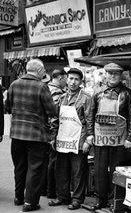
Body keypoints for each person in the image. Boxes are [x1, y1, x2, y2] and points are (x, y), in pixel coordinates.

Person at [6, 58, 57, 212]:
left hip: (17, 134)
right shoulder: (41, 87)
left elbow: (7, 107)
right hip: (36, 135)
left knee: (20, 167)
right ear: (40, 71)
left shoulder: (14, 84)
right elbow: (52, 111)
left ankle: (18, 197)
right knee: (35, 169)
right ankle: (30, 203)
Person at [87, 63, 131, 211]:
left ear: (121, 75)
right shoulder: (97, 92)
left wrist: (130, 138)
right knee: (100, 170)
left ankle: (113, 200)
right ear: (106, 74)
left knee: (116, 170)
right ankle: (100, 199)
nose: (113, 76)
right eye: (110, 73)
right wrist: (90, 134)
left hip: (119, 139)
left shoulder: (128, 94)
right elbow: (90, 114)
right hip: (100, 138)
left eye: (116, 73)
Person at [48, 68, 92, 210]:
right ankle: (62, 196)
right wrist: (52, 137)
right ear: (66, 79)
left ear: (80, 82)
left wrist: (88, 140)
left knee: (78, 171)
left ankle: (77, 199)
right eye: (71, 78)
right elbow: (55, 118)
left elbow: (90, 120)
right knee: (61, 170)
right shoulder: (62, 97)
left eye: (76, 79)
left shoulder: (86, 98)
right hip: (63, 139)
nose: (73, 82)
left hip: (78, 140)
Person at [46, 69, 67, 199]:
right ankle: (51, 191)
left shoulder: (45, 88)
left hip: (43, 130)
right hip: (52, 130)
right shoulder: (57, 93)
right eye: (66, 79)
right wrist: (54, 135)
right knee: (53, 162)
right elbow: (54, 115)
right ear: (60, 78)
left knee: (45, 161)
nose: (67, 82)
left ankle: (44, 189)